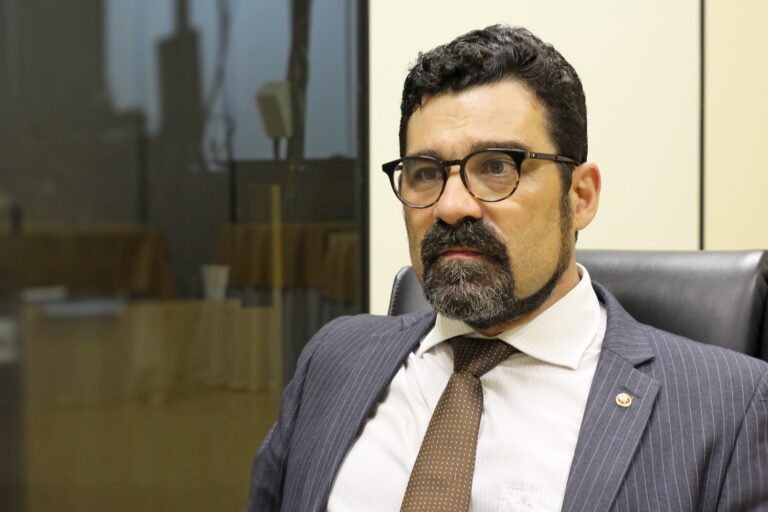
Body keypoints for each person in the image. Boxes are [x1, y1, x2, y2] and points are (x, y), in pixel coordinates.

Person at [247, 25, 768, 512]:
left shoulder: (729, 406)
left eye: (496, 167)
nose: (451, 207)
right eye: (425, 173)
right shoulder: (333, 360)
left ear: (580, 196)